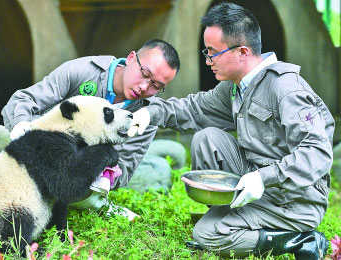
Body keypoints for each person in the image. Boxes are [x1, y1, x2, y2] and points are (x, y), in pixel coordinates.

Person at [129, 3, 334, 259]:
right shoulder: (236, 87)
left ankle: (298, 240)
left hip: (293, 200)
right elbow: (194, 109)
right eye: (206, 51)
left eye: (212, 52)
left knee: (206, 234)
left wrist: (263, 178)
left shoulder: (286, 89)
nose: (207, 60)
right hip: (258, 186)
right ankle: (233, 218)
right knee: (207, 139)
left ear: (242, 52)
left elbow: (318, 153)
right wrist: (151, 113)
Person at [1, 39, 180, 221]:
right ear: (131, 58)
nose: (144, 87)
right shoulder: (82, 71)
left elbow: (125, 165)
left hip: (84, 175)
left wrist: (97, 175)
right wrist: (21, 127)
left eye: (156, 86)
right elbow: (23, 101)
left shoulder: (147, 113)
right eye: (144, 73)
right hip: (42, 151)